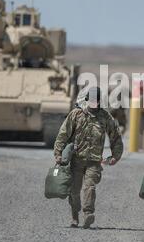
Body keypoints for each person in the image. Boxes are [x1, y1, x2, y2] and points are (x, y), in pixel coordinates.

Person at [53, 87, 124, 228]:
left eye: (95, 101)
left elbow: (115, 136)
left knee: (89, 187)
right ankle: (74, 216)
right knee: (74, 190)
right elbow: (63, 134)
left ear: (99, 101)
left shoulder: (105, 117)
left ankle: (87, 214)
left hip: (94, 161)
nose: (93, 103)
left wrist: (116, 156)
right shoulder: (76, 114)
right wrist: (58, 153)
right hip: (76, 159)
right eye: (90, 100)